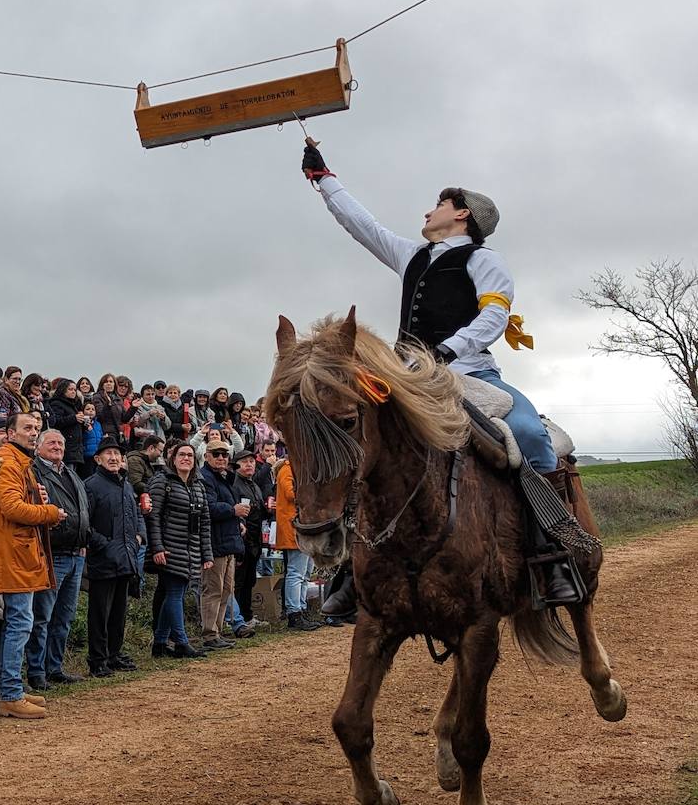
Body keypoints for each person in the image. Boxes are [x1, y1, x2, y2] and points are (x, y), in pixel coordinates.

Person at [301, 143, 577, 607]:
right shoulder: (412, 255)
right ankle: (354, 567)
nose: (428, 211)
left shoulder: (484, 261)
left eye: (438, 205)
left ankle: (552, 558)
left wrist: (448, 350)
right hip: (409, 378)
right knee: (368, 445)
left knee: (530, 433)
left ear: (463, 214)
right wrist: (323, 178)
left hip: (470, 372)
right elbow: (362, 226)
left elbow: (492, 318)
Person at [0, 411, 64, 720]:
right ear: (10, 433)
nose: (33, 432)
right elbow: (12, 509)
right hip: (11, 556)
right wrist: (50, 512)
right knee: (20, 622)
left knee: (19, 621)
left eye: (36, 427)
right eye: (27, 427)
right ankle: (10, 694)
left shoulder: (19, 462)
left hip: (16, 554)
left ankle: (12, 687)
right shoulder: (8, 463)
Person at [27, 429, 89, 689]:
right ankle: (36, 671)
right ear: (38, 447)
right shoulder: (34, 472)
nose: (57, 446)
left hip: (76, 554)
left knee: (65, 616)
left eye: (61, 443)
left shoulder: (70, 472)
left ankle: (55, 667)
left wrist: (84, 539)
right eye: (51, 442)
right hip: (53, 553)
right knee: (43, 615)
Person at [145, 441, 212, 659]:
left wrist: (206, 554)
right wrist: (157, 547)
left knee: (175, 593)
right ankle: (181, 642)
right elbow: (152, 517)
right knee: (175, 593)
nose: (186, 459)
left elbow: (204, 522)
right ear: (172, 459)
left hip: (190, 549)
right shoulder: (161, 481)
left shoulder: (198, 485)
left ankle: (161, 642)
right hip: (170, 548)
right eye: (181, 455)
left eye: (190, 456)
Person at [83, 436, 141, 677]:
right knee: (99, 613)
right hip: (103, 560)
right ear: (98, 458)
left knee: (119, 611)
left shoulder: (126, 485)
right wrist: (104, 546)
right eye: (108, 453)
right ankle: (97, 659)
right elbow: (85, 525)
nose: (114, 457)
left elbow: (136, 514)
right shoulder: (91, 485)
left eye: (117, 454)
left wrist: (139, 537)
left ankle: (114, 654)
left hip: (126, 558)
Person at [199, 441, 245, 649]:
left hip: (228, 541)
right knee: (213, 589)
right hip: (214, 542)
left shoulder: (224, 478)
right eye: (216, 454)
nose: (221, 458)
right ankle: (209, 634)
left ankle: (217, 631)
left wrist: (238, 522)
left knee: (226, 589)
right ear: (207, 456)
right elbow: (207, 507)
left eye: (225, 455)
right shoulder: (205, 478)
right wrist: (233, 511)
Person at [274, 455, 322, 632]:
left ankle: (300, 609)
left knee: (305, 573)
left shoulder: (296, 470)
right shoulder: (288, 469)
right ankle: (294, 613)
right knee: (296, 573)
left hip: (302, 528)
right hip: (294, 529)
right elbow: (291, 494)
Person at [231, 448, 268, 633]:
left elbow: (259, 511)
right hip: (241, 539)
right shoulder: (234, 484)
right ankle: (234, 619)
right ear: (236, 465)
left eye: (252, 461)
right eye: (245, 462)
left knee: (249, 580)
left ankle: (246, 615)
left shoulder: (254, 485)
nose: (249, 464)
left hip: (255, 540)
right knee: (238, 581)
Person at [46, 379, 87, 471]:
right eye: (70, 389)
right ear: (63, 390)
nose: (73, 392)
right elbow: (56, 422)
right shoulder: (56, 403)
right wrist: (74, 418)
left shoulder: (75, 405)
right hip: (66, 447)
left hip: (76, 448)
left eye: (75, 390)